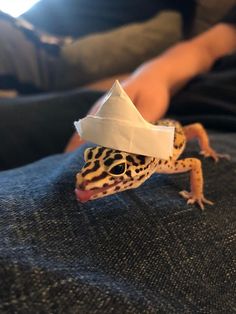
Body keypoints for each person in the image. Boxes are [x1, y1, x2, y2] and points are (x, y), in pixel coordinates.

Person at [0, 4, 236, 313]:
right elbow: (204, 49)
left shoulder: (164, 162)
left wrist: (199, 183)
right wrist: (155, 74)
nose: (85, 178)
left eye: (119, 171)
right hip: (156, 110)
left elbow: (194, 159)